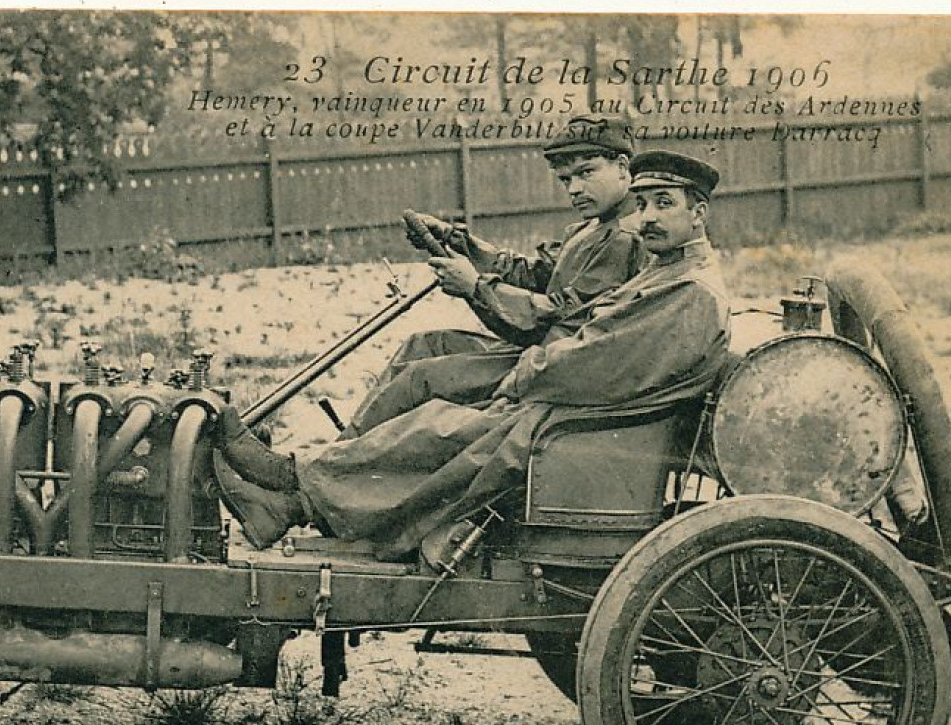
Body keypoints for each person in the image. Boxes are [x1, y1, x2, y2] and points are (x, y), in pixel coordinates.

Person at [214, 150, 733, 561]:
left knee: (444, 428)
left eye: (664, 204)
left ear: (699, 211)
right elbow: (593, 338)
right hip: (577, 404)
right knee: (439, 412)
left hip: (584, 418)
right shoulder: (667, 270)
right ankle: (294, 492)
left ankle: (293, 483)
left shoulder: (689, 290)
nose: (647, 219)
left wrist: (524, 373)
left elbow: (598, 357)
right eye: (643, 206)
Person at [338, 115, 646, 437]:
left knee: (420, 378)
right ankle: (352, 444)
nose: (575, 189)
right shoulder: (590, 228)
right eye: (566, 179)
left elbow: (563, 315)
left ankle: (333, 464)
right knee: (425, 345)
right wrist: (457, 241)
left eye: (586, 173)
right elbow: (535, 274)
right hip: (539, 351)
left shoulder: (625, 238)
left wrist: (475, 286)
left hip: (551, 365)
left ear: (622, 167)